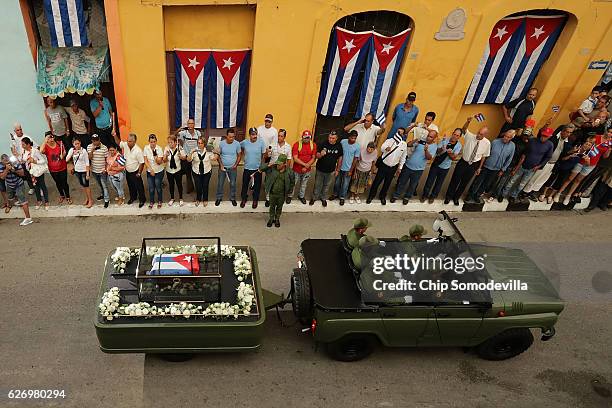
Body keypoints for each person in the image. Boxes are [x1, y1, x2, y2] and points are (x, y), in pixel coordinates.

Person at [444, 117, 491, 205]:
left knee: (464, 183)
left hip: (474, 165)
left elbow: (484, 156)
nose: (478, 135)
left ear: (484, 135)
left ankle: (456, 198)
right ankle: (448, 196)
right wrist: (467, 122)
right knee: (455, 180)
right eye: (478, 132)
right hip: (463, 162)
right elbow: (464, 130)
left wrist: (479, 168)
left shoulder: (487, 143)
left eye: (481, 134)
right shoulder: (470, 136)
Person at [554, 133, 610, 205]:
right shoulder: (596, 137)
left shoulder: (609, 143)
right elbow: (585, 144)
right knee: (570, 178)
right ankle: (558, 193)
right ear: (606, 131)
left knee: (578, 180)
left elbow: (605, 156)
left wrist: (609, 149)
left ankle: (568, 196)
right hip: (581, 161)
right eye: (609, 132)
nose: (610, 134)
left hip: (591, 164)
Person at [523, 124, 575, 201]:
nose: (568, 134)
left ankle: (531, 193)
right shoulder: (553, 137)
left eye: (570, 133)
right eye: (567, 132)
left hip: (553, 164)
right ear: (562, 131)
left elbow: (563, 153)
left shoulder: (568, 142)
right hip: (544, 162)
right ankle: (524, 193)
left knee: (542, 180)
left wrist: (570, 152)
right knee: (534, 178)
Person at [502, 127, 554, 203]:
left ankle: (513, 196)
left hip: (532, 169)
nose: (543, 137)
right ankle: (503, 194)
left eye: (546, 136)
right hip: (522, 165)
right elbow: (524, 153)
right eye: (543, 135)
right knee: (511, 181)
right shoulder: (532, 140)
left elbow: (548, 157)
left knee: (521, 185)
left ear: (550, 136)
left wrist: (539, 166)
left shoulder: (550, 145)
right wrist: (518, 166)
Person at [465, 130, 515, 204]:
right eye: (505, 136)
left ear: (511, 138)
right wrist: (480, 166)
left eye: (508, 137)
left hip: (496, 169)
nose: (505, 138)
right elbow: (486, 154)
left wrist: (503, 169)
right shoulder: (495, 142)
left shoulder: (512, 146)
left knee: (486, 183)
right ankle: (470, 195)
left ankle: (477, 195)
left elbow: (509, 159)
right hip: (486, 166)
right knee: (477, 181)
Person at [392, 130, 437, 204]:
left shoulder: (434, 146)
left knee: (413, 185)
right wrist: (416, 140)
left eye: (431, 137)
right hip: (408, 165)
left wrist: (426, 150)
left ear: (434, 138)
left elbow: (429, 158)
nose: (428, 138)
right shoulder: (422, 141)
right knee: (401, 182)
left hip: (418, 170)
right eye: (428, 135)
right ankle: (396, 195)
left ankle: (407, 197)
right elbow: (408, 144)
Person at [540, 138, 592, 204]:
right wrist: (570, 155)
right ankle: (543, 193)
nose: (586, 146)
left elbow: (587, 165)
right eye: (586, 144)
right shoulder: (575, 148)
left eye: (589, 145)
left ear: (590, 148)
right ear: (583, 144)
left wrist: (588, 161)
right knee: (551, 179)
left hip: (568, 169)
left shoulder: (585, 155)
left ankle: (550, 196)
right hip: (560, 165)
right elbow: (562, 158)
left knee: (559, 182)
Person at [367, 128, 408, 205]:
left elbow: (403, 157)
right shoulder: (389, 141)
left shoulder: (404, 145)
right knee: (377, 182)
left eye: (401, 133)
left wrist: (400, 168)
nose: (399, 134)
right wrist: (386, 148)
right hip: (384, 165)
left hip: (393, 167)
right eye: (398, 132)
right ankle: (371, 196)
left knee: (387, 183)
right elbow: (382, 148)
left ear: (403, 135)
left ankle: (382, 196)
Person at [421, 128, 462, 203]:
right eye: (454, 134)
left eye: (457, 135)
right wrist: (442, 149)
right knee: (429, 181)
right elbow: (437, 151)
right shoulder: (444, 140)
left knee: (439, 183)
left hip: (445, 167)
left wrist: (450, 153)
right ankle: (425, 195)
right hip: (436, 164)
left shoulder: (458, 145)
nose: (455, 136)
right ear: (452, 133)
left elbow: (453, 158)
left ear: (459, 137)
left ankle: (433, 196)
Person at [261, 154, 295, 227]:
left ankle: (277, 219)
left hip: (282, 194)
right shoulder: (272, 169)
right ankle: (271, 218)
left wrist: (290, 191)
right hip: (272, 193)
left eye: (280, 164)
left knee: (279, 207)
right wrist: (269, 164)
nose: (277, 166)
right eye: (277, 163)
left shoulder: (289, 172)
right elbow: (261, 168)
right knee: (272, 207)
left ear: (285, 164)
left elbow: (292, 182)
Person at [310, 130, 342, 206]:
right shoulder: (323, 143)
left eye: (333, 138)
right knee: (317, 185)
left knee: (326, 186)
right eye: (330, 137)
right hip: (320, 169)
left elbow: (340, 158)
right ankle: (314, 198)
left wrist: (337, 169)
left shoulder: (339, 146)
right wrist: (320, 154)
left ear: (336, 138)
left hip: (331, 171)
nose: (331, 139)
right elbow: (317, 155)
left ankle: (323, 198)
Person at [114, 132, 146, 208]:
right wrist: (115, 135)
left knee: (139, 186)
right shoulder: (125, 145)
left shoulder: (138, 150)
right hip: (128, 171)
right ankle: (133, 197)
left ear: (135, 141)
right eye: (128, 140)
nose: (128, 142)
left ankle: (142, 199)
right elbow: (119, 143)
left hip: (136, 172)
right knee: (130, 186)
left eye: (130, 141)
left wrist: (139, 173)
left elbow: (142, 163)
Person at [0, 154, 33, 225]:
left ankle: (28, 218)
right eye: (4, 162)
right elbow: (2, 177)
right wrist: (6, 169)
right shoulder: (1, 166)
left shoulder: (15, 162)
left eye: (7, 161)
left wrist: (13, 170)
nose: (7, 163)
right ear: (2, 162)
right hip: (9, 185)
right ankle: (14, 202)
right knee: (10, 197)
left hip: (19, 184)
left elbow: (22, 173)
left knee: (23, 201)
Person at [40, 131, 71, 205]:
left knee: (64, 183)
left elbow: (64, 152)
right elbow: (41, 151)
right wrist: (45, 141)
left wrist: (62, 156)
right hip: (53, 169)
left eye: (52, 136)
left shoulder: (59, 143)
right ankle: (62, 195)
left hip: (62, 168)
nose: (51, 138)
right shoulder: (46, 147)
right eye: (49, 137)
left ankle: (68, 196)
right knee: (58, 183)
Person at [240, 127, 266, 208]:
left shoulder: (261, 142)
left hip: (257, 169)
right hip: (247, 168)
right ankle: (244, 199)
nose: (255, 136)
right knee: (245, 185)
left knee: (257, 186)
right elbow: (237, 146)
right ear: (249, 135)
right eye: (253, 134)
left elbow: (264, 155)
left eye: (256, 134)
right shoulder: (244, 142)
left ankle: (255, 200)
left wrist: (261, 166)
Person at [215, 128, 242, 206]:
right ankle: (219, 197)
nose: (232, 139)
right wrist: (221, 165)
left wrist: (236, 165)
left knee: (233, 184)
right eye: (230, 137)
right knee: (220, 183)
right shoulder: (221, 143)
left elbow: (240, 155)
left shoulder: (237, 144)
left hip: (233, 168)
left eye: (233, 137)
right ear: (226, 136)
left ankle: (232, 198)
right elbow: (218, 155)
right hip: (222, 168)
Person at [333, 130, 360, 206]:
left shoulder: (357, 146)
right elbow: (339, 154)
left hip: (348, 169)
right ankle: (335, 194)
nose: (353, 140)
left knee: (345, 184)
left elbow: (355, 159)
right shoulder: (343, 142)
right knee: (337, 182)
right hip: (340, 167)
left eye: (354, 138)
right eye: (352, 138)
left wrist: (351, 170)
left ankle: (342, 197)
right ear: (349, 137)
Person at [289, 130, 317, 204]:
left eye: (308, 137)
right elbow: (295, 158)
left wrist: (307, 166)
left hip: (307, 170)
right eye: (305, 137)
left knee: (304, 184)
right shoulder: (297, 144)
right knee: (293, 183)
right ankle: (290, 196)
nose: (306, 139)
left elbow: (314, 157)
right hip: (296, 169)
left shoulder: (313, 145)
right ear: (302, 137)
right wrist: (305, 165)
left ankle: (301, 196)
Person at [21, 137, 49, 210]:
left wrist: (35, 161)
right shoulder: (24, 152)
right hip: (31, 173)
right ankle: (39, 201)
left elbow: (43, 160)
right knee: (36, 187)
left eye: (23, 144)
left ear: (28, 144)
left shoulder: (35, 151)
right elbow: (23, 160)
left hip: (38, 172)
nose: (22, 146)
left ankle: (46, 201)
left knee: (42, 186)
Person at [267, 129, 292, 206]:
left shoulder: (288, 146)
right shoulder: (272, 144)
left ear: (284, 137)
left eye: (281, 136)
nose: (279, 137)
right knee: (269, 183)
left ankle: (279, 199)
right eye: (278, 135)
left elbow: (289, 159)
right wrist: (267, 152)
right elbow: (267, 157)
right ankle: (268, 198)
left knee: (279, 185)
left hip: (282, 169)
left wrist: (286, 169)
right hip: (272, 167)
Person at [176, 118, 201, 194]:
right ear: (187, 125)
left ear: (194, 125)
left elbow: (200, 143)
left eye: (192, 123)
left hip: (195, 156)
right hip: (187, 156)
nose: (190, 125)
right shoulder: (184, 133)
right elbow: (174, 136)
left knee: (196, 173)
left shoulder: (198, 133)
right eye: (189, 124)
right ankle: (190, 188)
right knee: (188, 174)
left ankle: (198, 188)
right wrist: (178, 130)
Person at [66, 138, 93, 208]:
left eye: (78, 143)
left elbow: (87, 162)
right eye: (75, 144)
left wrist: (87, 174)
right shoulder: (72, 150)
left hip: (84, 171)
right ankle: (87, 198)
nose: (77, 145)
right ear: (73, 144)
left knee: (86, 186)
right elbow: (66, 159)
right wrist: (72, 153)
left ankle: (90, 200)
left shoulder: (84, 151)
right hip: (77, 171)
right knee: (83, 185)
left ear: (80, 143)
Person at [188, 136, 215, 206]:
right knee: (198, 186)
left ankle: (205, 199)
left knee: (205, 186)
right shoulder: (194, 150)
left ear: (204, 144)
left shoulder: (208, 151)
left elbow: (213, 158)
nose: (199, 145)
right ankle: (198, 199)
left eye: (201, 143)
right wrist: (191, 152)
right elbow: (188, 160)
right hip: (196, 171)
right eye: (198, 143)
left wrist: (217, 152)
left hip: (207, 171)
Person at [87, 134, 111, 208]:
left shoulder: (104, 148)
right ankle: (103, 195)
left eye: (97, 140)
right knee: (99, 184)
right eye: (94, 140)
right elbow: (89, 158)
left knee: (104, 185)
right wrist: (92, 151)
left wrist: (105, 169)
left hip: (102, 171)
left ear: (99, 139)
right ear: (92, 141)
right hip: (94, 170)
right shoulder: (89, 146)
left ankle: (107, 200)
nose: (96, 142)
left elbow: (107, 160)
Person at [143, 134, 165, 209]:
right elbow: (145, 160)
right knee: (151, 188)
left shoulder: (159, 149)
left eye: (154, 142)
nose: (153, 143)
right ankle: (151, 201)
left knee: (158, 187)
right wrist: (151, 170)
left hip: (159, 171)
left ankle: (160, 200)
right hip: (150, 171)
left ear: (156, 141)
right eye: (151, 142)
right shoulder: (146, 148)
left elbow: (159, 162)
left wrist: (155, 154)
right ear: (149, 141)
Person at [164, 135, 187, 206]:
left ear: (175, 142)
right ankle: (172, 198)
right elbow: (164, 160)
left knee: (179, 184)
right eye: (169, 142)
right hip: (169, 170)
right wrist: (166, 156)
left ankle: (181, 198)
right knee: (171, 185)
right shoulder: (166, 148)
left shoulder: (180, 148)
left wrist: (181, 156)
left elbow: (184, 158)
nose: (170, 144)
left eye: (171, 142)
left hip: (178, 170)